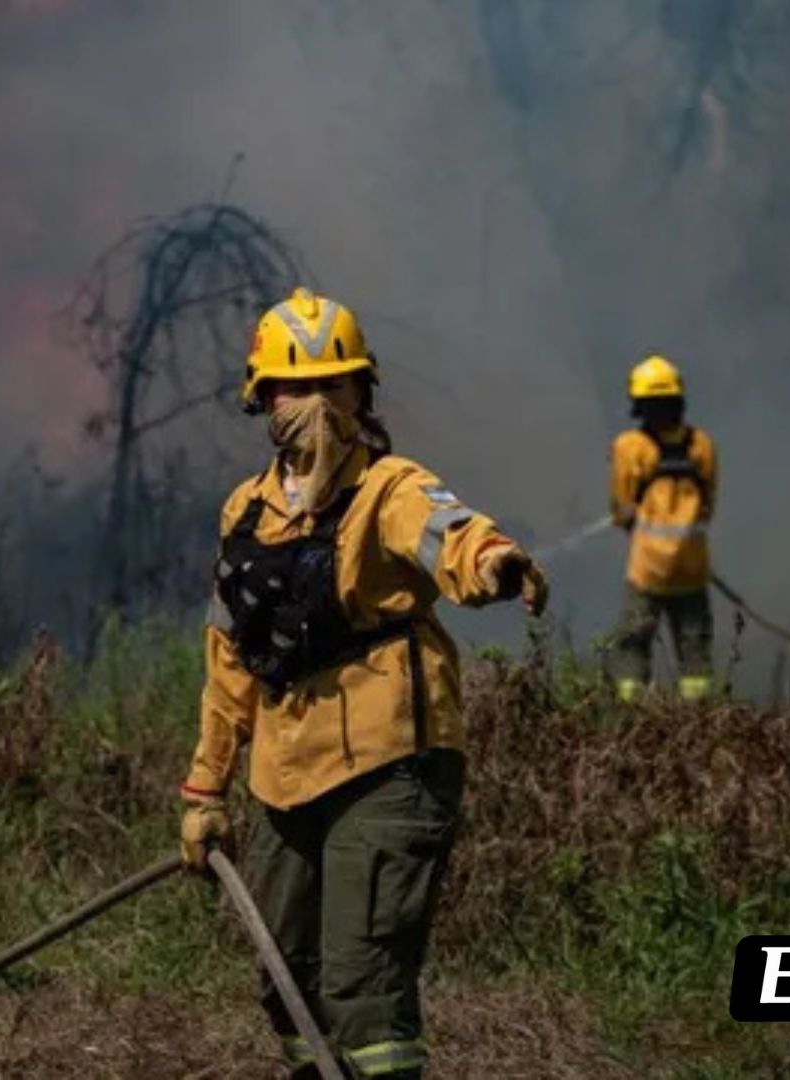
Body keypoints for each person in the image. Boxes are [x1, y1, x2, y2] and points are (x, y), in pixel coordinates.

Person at [177, 287, 549, 1079]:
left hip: (388, 768)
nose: (316, 404)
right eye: (296, 387)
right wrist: (206, 790)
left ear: (361, 393)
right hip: (283, 779)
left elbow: (450, 533)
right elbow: (228, 661)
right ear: (262, 399)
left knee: (363, 987)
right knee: (287, 982)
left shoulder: (391, 489)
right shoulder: (244, 514)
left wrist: (495, 563)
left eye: (333, 385)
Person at [605, 355, 719, 703]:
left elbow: (621, 507)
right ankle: (698, 716)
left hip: (648, 570)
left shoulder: (630, 447)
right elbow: (708, 506)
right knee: (694, 645)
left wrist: (628, 520)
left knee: (633, 641)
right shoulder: (702, 445)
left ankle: (632, 713)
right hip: (692, 567)